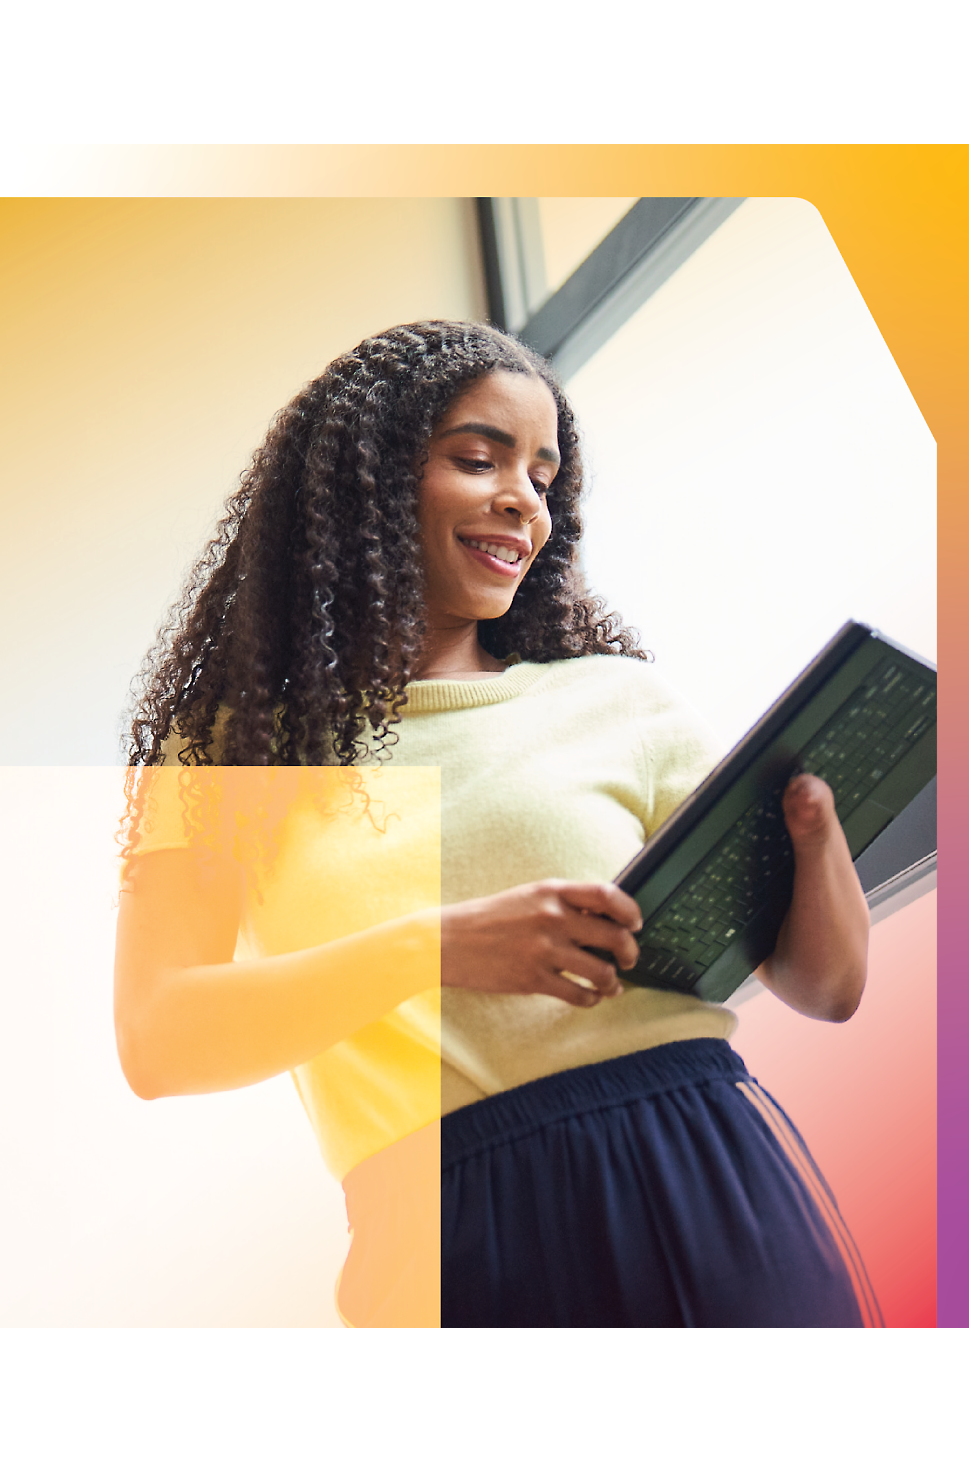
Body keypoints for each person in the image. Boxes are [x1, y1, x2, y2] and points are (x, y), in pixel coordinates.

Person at [115, 319, 880, 1328]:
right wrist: (439, 947)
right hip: (442, 1230)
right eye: (478, 458)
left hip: (696, 1165)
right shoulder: (235, 745)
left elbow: (824, 985)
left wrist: (815, 828)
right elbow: (158, 1038)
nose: (523, 496)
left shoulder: (621, 701)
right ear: (367, 486)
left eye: (543, 474)